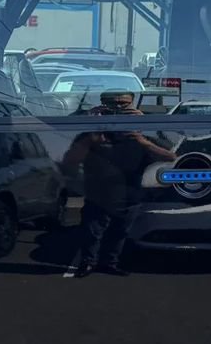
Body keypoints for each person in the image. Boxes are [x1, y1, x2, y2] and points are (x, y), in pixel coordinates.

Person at [61, 90, 173, 277]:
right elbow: (69, 162)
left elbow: (171, 157)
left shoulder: (141, 135)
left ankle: (110, 263)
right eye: (111, 105)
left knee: (120, 230)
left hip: (130, 191)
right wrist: (91, 135)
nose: (118, 109)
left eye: (123, 105)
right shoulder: (91, 136)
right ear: (101, 106)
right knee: (92, 230)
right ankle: (88, 262)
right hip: (98, 191)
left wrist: (142, 139)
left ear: (133, 106)